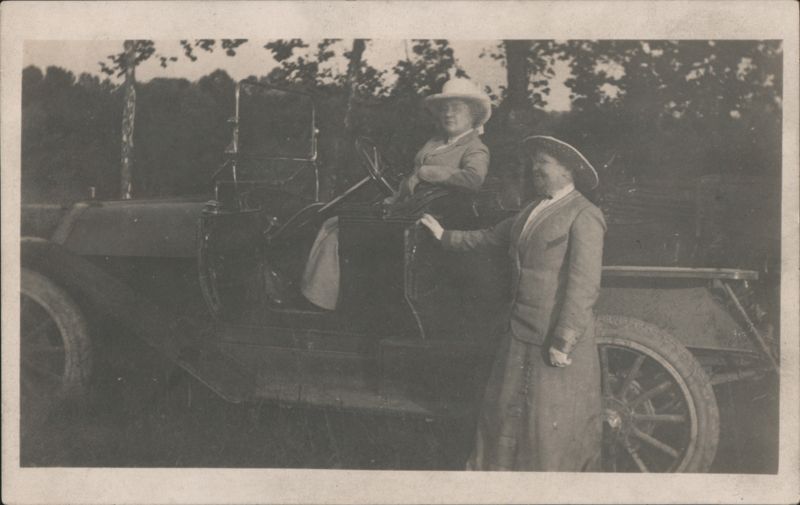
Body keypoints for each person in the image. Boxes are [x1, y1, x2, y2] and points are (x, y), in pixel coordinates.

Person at [418, 136, 606, 471]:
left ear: (567, 171)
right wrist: (444, 235)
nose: (536, 169)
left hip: (554, 341)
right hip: (519, 332)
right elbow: (488, 237)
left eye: (544, 163)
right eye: (535, 162)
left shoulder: (584, 214)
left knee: (548, 429)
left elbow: (583, 285)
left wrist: (564, 340)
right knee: (503, 417)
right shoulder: (531, 210)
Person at [300, 77, 492, 310]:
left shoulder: (475, 148)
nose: (449, 114)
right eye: (444, 108)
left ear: (472, 114)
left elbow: (473, 180)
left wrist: (428, 172)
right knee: (333, 222)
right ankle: (323, 297)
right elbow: (413, 179)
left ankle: (319, 301)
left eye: (457, 108)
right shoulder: (436, 142)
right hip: (405, 210)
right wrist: (393, 199)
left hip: (425, 221)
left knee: (338, 226)